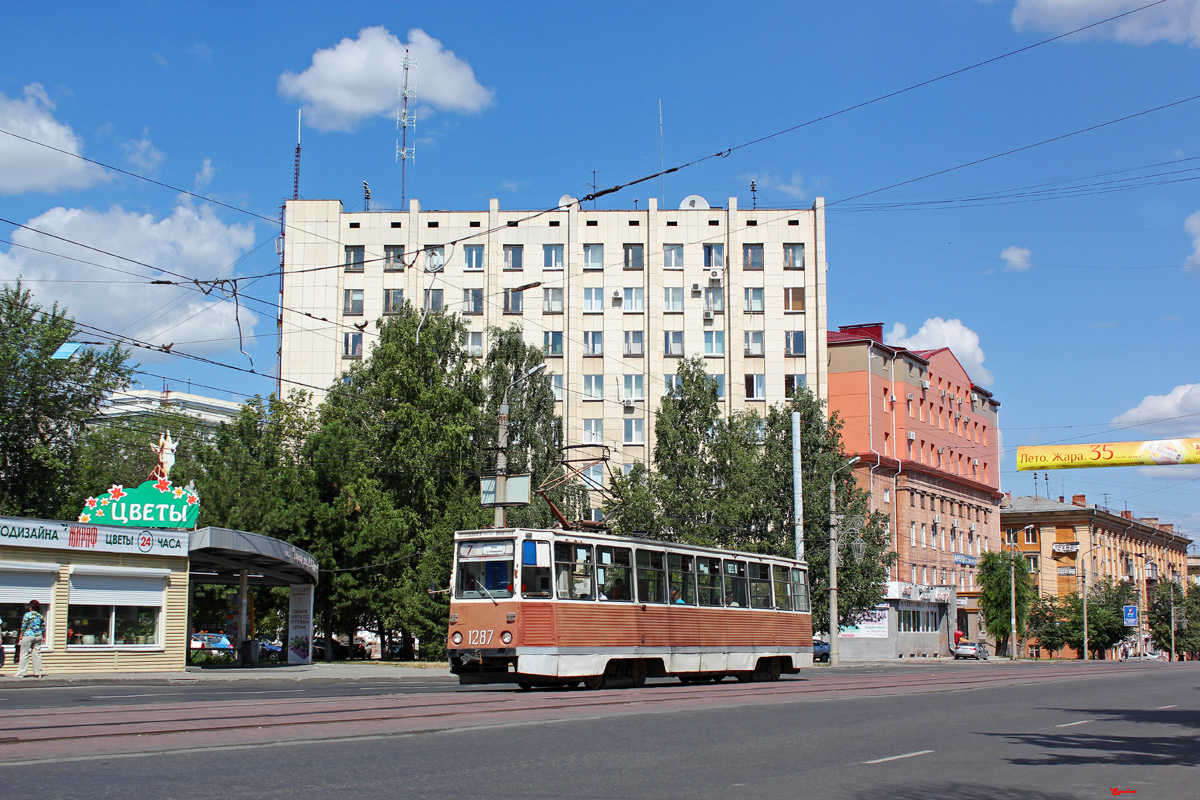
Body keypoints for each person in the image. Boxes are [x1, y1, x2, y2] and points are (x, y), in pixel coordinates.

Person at [15, 600, 45, 678]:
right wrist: (43, 636)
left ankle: (22, 673)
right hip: (38, 635)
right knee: (37, 654)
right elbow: (43, 627)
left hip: (28, 634)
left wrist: (21, 635)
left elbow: (24, 626)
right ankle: (38, 672)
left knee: (24, 653)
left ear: (30, 607)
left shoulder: (27, 615)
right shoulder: (40, 616)